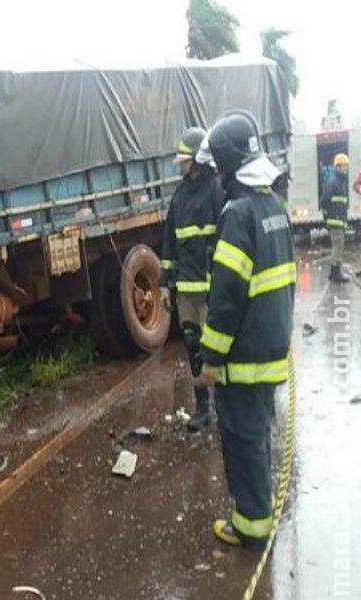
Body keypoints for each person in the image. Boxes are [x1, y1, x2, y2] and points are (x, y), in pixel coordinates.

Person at [196, 111, 295, 547]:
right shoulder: (273, 206)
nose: (215, 177)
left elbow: (227, 298)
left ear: (229, 164)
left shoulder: (237, 214)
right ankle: (259, 513)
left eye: (217, 167)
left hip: (245, 358)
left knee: (242, 440)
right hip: (272, 348)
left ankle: (251, 527)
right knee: (258, 436)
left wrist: (211, 359)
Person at [160, 127, 224, 431]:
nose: (181, 165)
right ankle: (203, 409)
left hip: (213, 289)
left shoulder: (217, 189)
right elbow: (169, 240)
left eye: (185, 160)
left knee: (219, 348)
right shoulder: (180, 195)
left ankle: (226, 405)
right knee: (193, 347)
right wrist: (163, 282)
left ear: (198, 159)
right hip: (186, 290)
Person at [320, 153, 350, 283]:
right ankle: (336, 274)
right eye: (344, 166)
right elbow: (324, 201)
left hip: (340, 220)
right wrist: (327, 217)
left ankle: (334, 274)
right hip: (335, 220)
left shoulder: (340, 181)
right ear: (338, 166)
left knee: (339, 246)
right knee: (338, 246)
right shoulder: (333, 181)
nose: (346, 168)